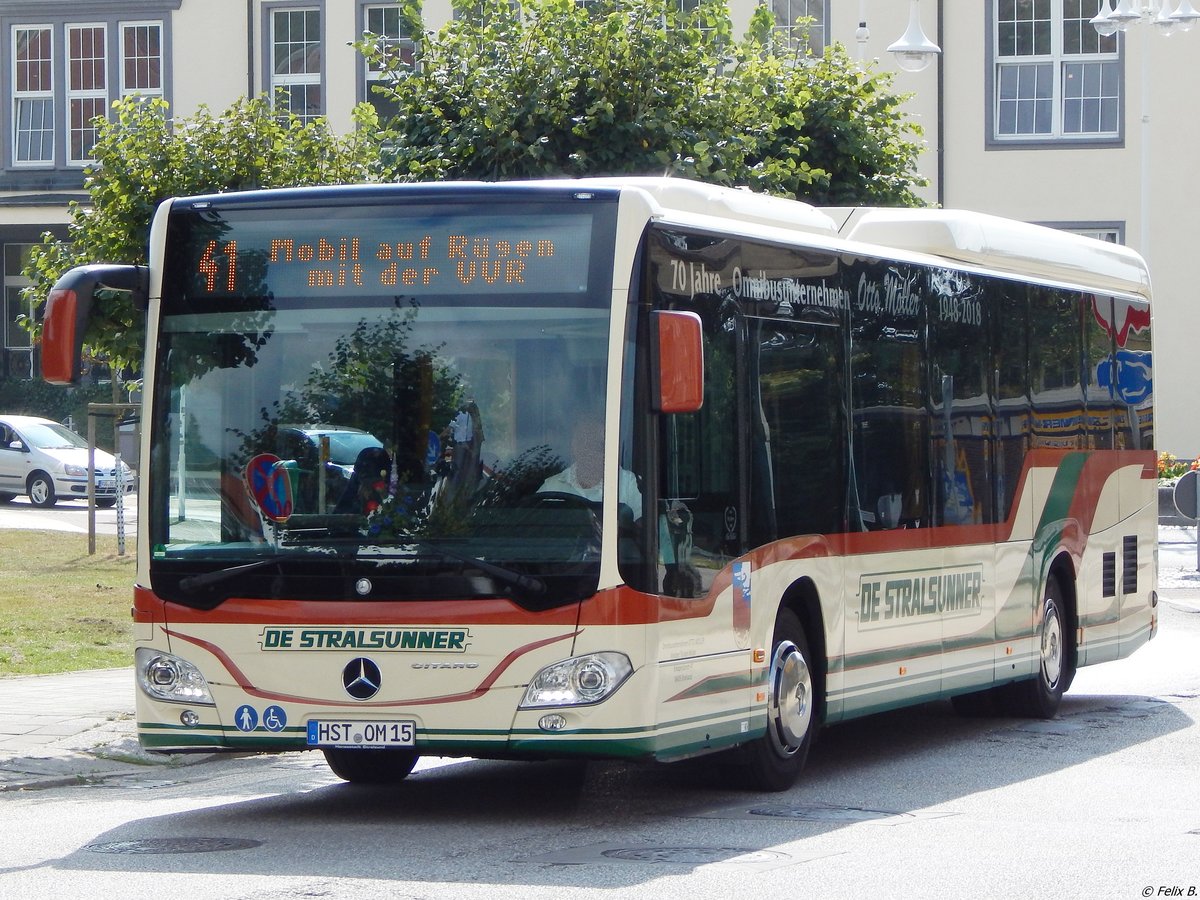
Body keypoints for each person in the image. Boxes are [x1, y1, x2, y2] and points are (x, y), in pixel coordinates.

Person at [538, 418, 642, 519]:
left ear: (608, 447)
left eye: (596, 444)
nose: (589, 450)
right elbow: (532, 528)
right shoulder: (552, 487)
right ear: (573, 447)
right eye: (583, 442)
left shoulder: (628, 484)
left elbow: (642, 525)